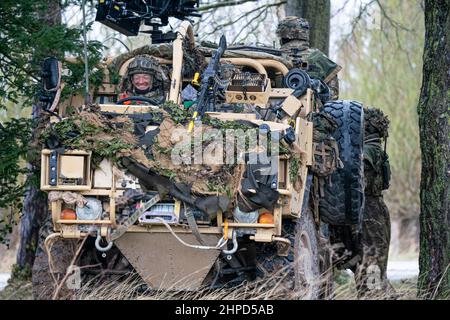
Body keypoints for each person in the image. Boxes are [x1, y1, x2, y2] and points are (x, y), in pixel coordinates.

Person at [355, 107, 395, 299]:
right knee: (375, 254)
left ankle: (373, 294)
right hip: (376, 207)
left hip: (370, 209)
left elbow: (360, 184)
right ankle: (375, 293)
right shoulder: (376, 149)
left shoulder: (368, 151)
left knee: (373, 255)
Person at [276, 16, 340, 100]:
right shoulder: (321, 60)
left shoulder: (272, 58)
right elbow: (333, 97)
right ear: (305, 34)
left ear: (282, 35)